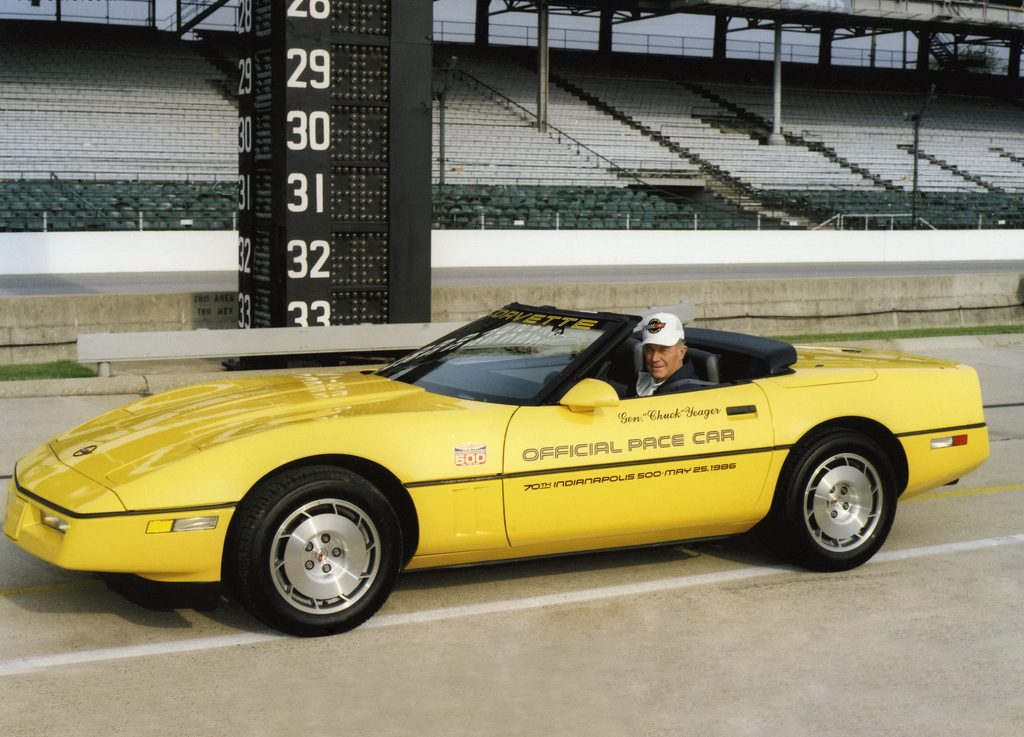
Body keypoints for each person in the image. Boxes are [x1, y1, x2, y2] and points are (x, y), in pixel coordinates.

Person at [632, 311, 695, 397]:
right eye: (649, 350)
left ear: (681, 352)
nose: (654, 358)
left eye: (663, 350)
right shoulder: (640, 381)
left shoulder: (688, 394)